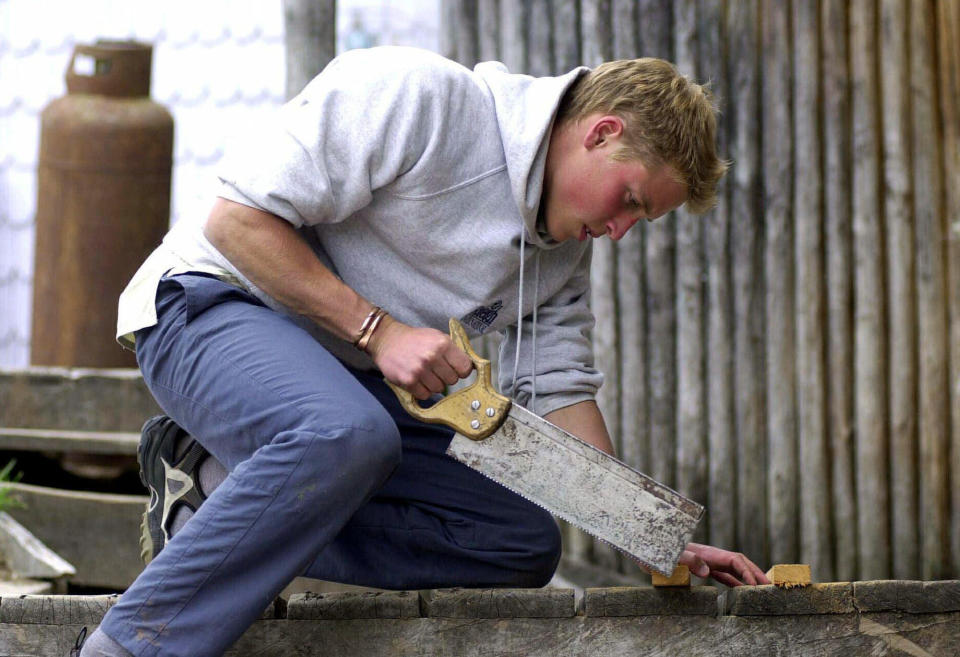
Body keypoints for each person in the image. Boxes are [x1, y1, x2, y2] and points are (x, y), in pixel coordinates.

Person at [79, 46, 769, 657]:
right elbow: (236, 221)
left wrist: (649, 536)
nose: (620, 230)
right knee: (347, 433)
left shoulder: (561, 260)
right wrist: (379, 331)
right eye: (631, 200)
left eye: (637, 221)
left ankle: (214, 488)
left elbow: (562, 391)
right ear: (601, 132)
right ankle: (129, 645)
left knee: (518, 537)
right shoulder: (419, 98)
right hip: (205, 306)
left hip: (340, 390)